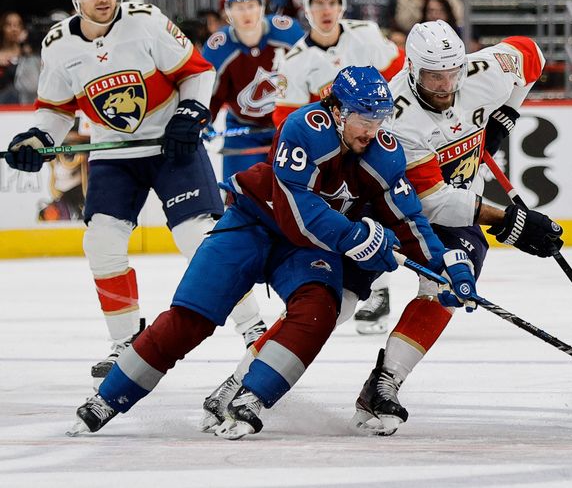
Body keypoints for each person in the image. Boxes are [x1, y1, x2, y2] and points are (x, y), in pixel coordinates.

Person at [66, 65, 479, 440]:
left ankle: (251, 398)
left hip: (303, 250)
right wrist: (355, 235)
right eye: (364, 119)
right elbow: (298, 212)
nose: (372, 130)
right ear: (337, 111)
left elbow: (407, 219)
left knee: (319, 311)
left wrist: (444, 265)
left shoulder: (381, 152)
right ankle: (107, 399)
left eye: (378, 120)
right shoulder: (303, 127)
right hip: (253, 225)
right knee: (190, 318)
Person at [2, 0, 266, 387]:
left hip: (170, 145)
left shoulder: (145, 22)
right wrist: (36, 139)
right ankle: (125, 342)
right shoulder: (57, 44)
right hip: (113, 152)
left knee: (198, 237)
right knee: (101, 241)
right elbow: (55, 111)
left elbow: (197, 72)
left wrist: (191, 113)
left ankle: (254, 328)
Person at [348, 20, 564, 436]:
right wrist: (512, 221)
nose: (446, 84)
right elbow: (433, 202)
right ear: (412, 68)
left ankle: (384, 384)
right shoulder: (398, 116)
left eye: (453, 71)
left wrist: (506, 115)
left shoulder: (483, 71)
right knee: (335, 301)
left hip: (447, 206)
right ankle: (254, 381)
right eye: (433, 75)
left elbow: (529, 54)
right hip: (383, 208)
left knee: (450, 281)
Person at [273, 0, 406, 334]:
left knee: (379, 208)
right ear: (306, 10)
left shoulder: (365, 34)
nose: (325, 9)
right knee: (339, 219)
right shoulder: (294, 61)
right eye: (317, 3)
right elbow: (288, 120)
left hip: (374, 140)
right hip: (330, 154)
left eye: (332, 2)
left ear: (343, 6)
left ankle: (379, 290)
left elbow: (401, 72)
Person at [202, 0, 304, 179]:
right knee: (238, 197)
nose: (246, 13)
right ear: (228, 12)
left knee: (295, 192)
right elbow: (208, 93)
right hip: (243, 130)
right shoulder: (218, 47)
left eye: (251, 6)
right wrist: (202, 120)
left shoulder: (287, 32)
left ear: (261, 7)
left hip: (288, 127)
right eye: (239, 7)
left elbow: (310, 73)